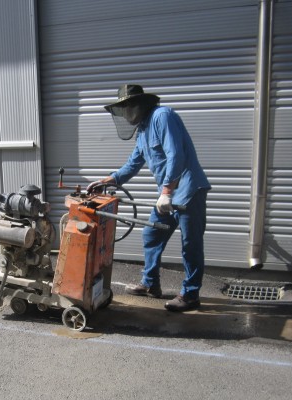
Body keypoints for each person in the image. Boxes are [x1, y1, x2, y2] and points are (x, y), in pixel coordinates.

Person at [87, 84, 211, 312]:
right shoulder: (143, 131)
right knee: (151, 233)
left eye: (126, 108)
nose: (124, 114)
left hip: (188, 191)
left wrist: (167, 191)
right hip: (168, 194)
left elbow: (176, 154)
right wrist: (110, 180)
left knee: (191, 244)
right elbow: (133, 163)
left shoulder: (162, 116)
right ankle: (151, 283)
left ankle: (191, 295)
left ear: (138, 106)